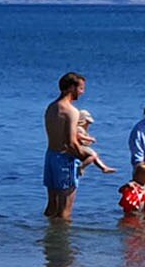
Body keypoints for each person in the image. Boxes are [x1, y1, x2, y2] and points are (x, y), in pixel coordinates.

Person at [43, 73, 110, 221]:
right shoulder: (71, 111)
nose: (82, 92)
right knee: (65, 210)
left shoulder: (51, 107)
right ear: (72, 88)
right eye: (80, 88)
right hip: (65, 159)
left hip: (50, 156)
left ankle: (47, 239)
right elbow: (71, 142)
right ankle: (62, 243)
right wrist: (85, 157)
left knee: (52, 206)